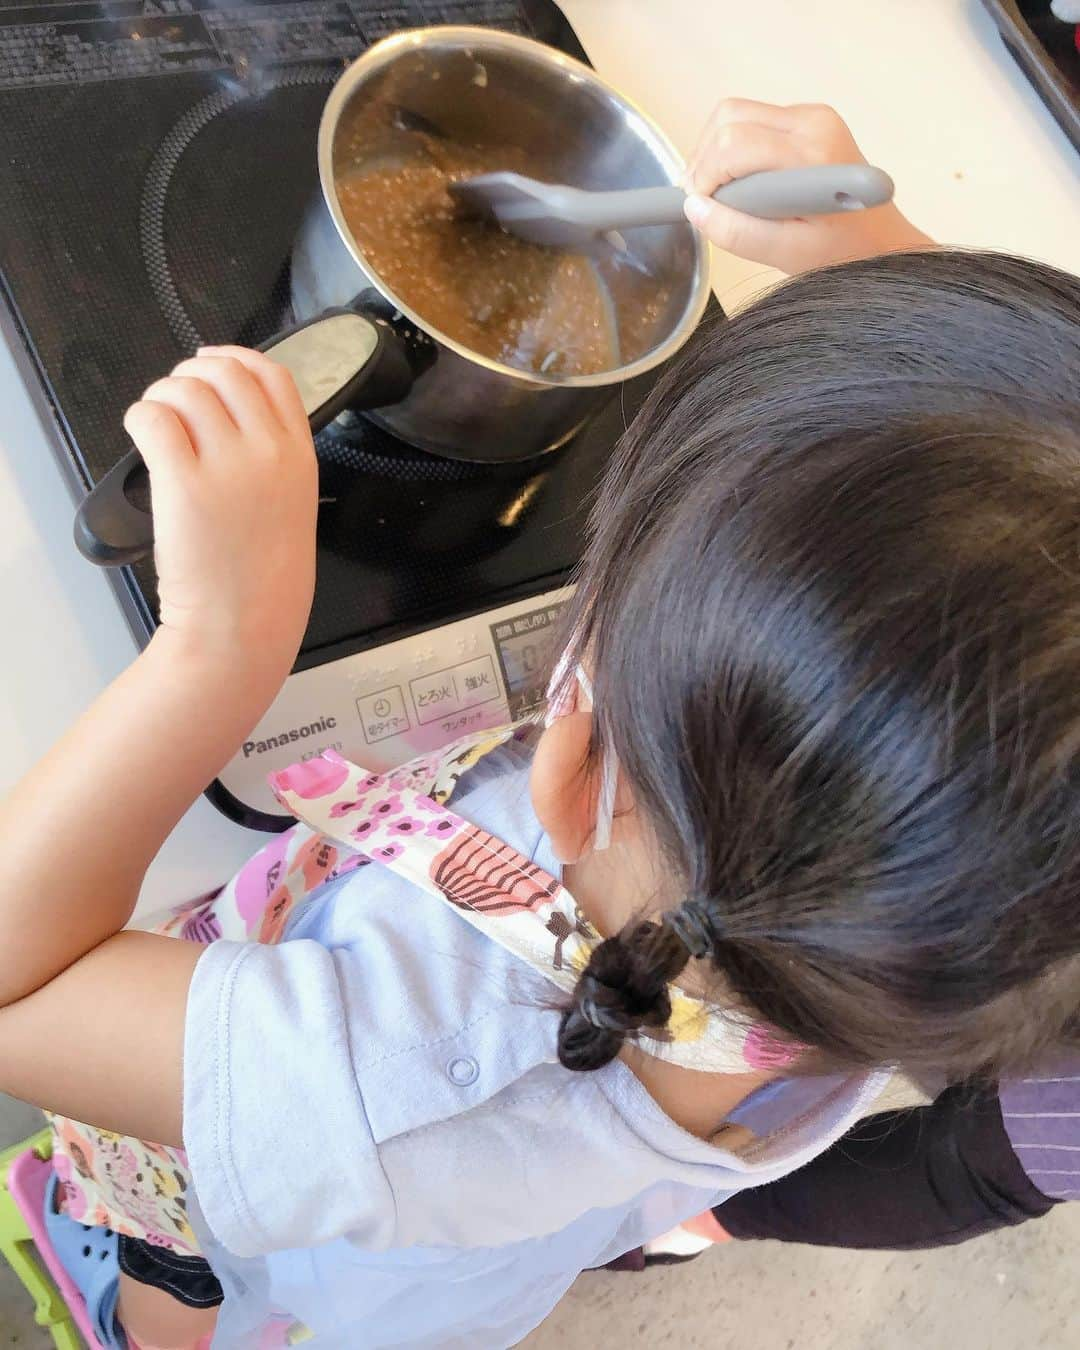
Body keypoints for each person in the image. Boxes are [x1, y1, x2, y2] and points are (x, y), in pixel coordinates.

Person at [0, 101, 1078, 1350]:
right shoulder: (886, 948)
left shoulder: (400, 1070)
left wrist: (214, 655)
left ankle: (133, 1311)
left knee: (183, 1258)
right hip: (484, 1239)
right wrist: (888, 268)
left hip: (294, 1235)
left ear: (569, 759)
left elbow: (20, 989)